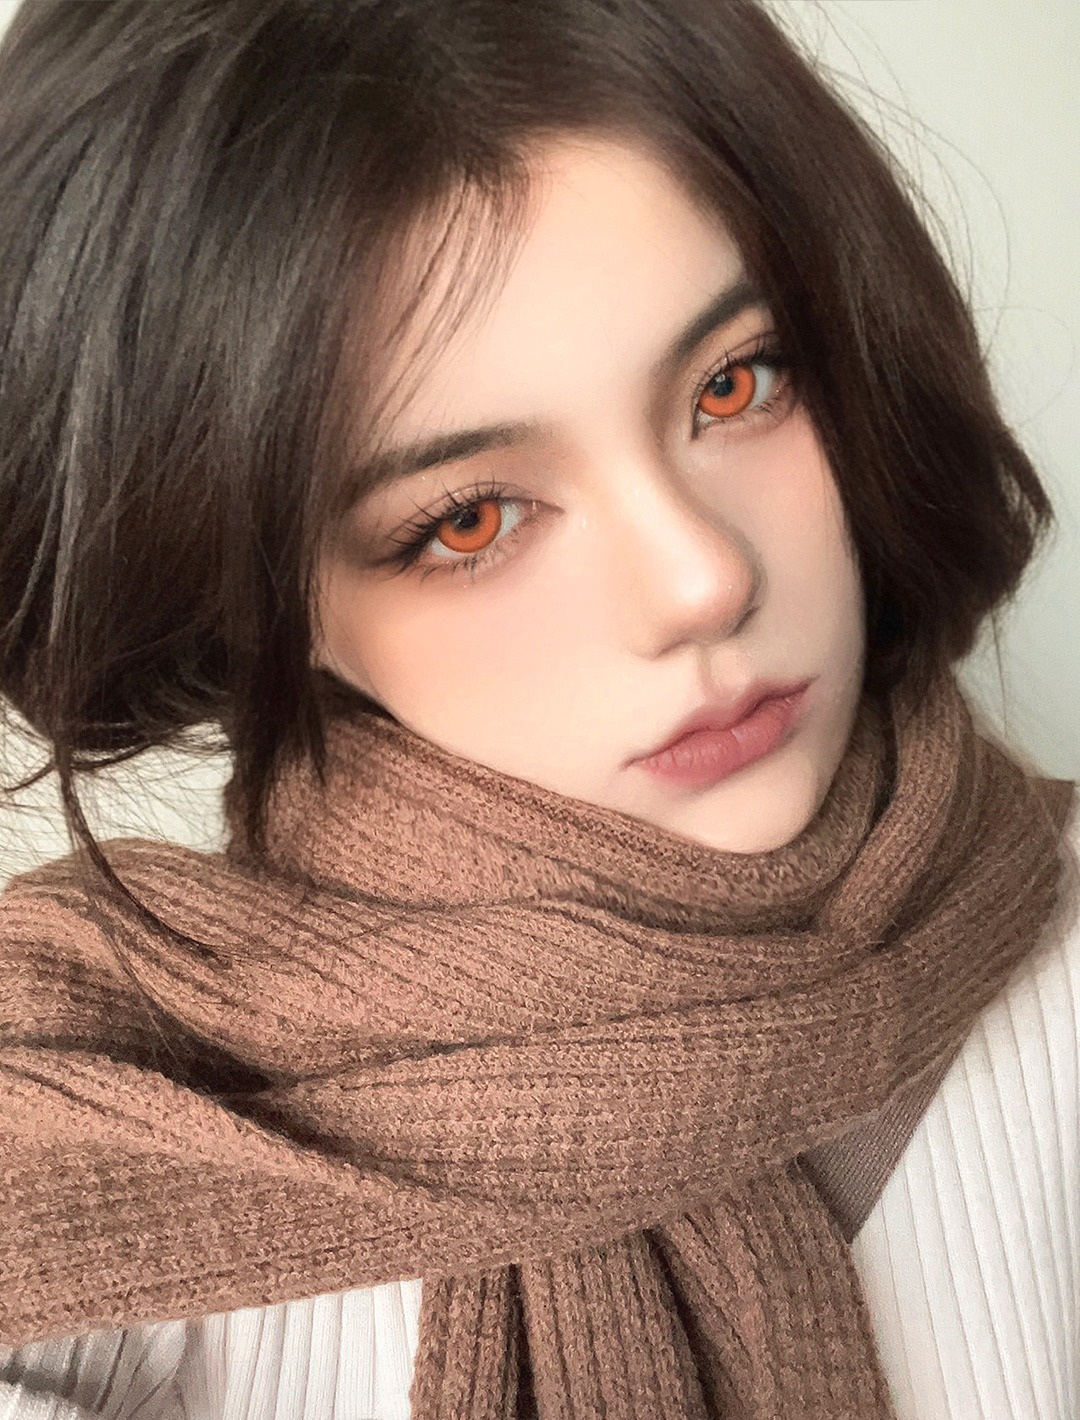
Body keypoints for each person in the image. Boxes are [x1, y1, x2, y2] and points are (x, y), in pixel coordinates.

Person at [0, 1, 1076, 1417]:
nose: (702, 579)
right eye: (468, 518)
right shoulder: (86, 1110)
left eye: (736, 385)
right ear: (254, 597)